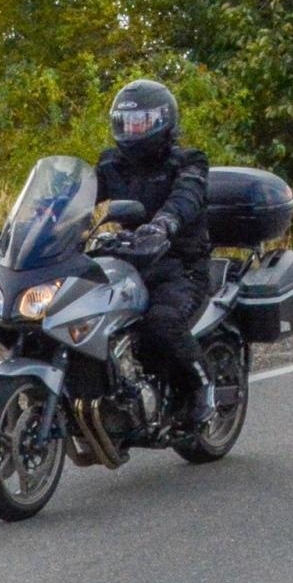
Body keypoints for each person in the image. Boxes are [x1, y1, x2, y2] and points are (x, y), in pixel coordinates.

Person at [96, 79, 215, 429]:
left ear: (164, 122)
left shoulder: (188, 161)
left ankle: (201, 387)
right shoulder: (111, 165)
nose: (133, 131)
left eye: (142, 122)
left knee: (161, 322)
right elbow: (79, 195)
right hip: (127, 263)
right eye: (127, 123)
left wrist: (164, 223)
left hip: (181, 266)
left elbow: (187, 197)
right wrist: (46, 218)